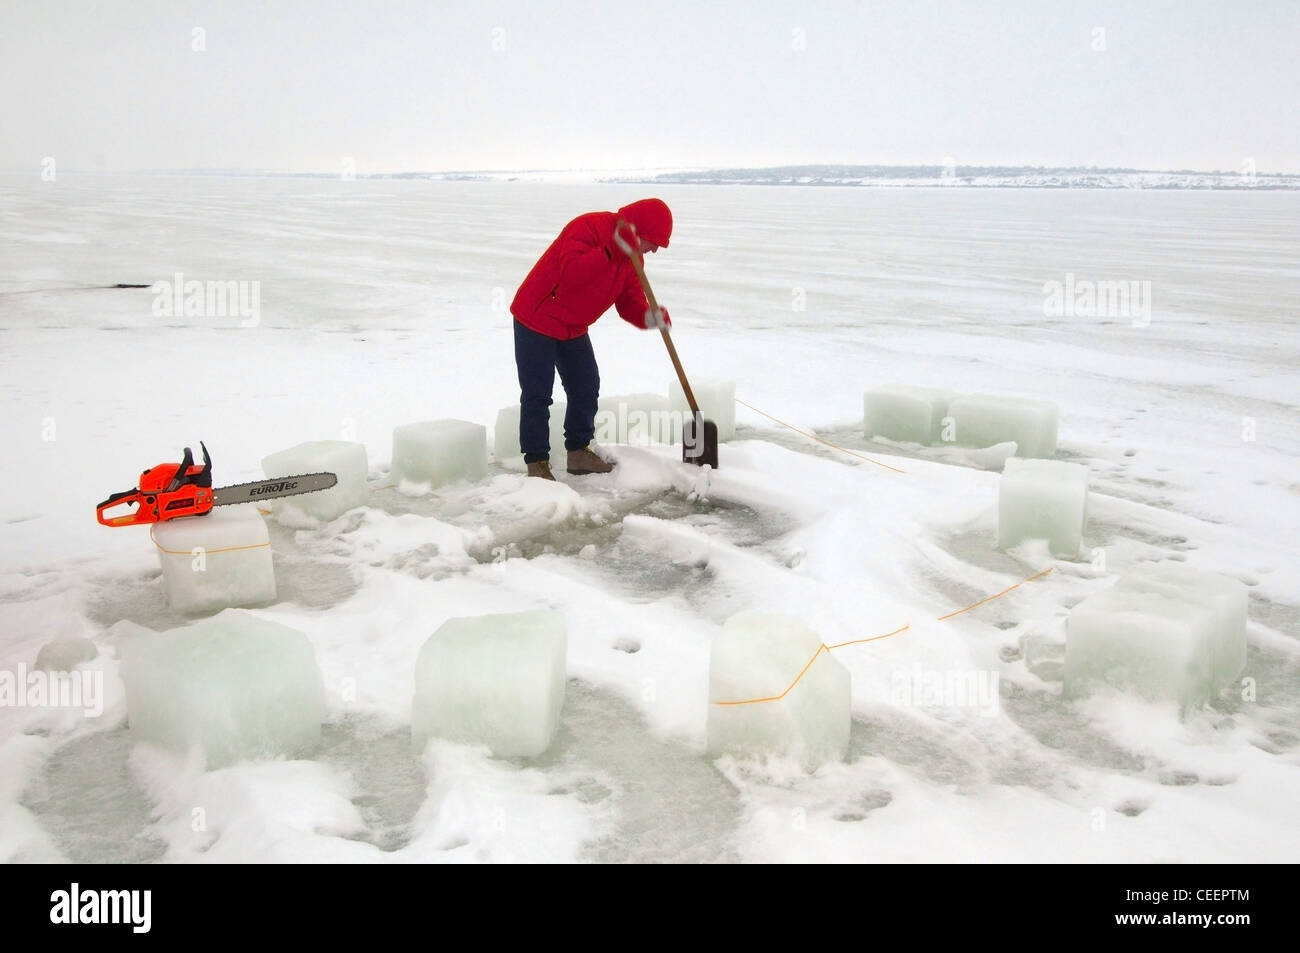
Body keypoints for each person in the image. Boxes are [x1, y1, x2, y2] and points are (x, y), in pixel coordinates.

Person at [509, 198, 673, 480]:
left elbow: (629, 302)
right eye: (653, 241)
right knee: (538, 394)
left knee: (586, 385)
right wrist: (612, 251)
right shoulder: (588, 227)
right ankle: (537, 463)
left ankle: (578, 452)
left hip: (573, 325)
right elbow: (572, 274)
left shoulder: (634, 258)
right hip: (537, 317)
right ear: (637, 230)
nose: (655, 249)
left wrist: (648, 316)